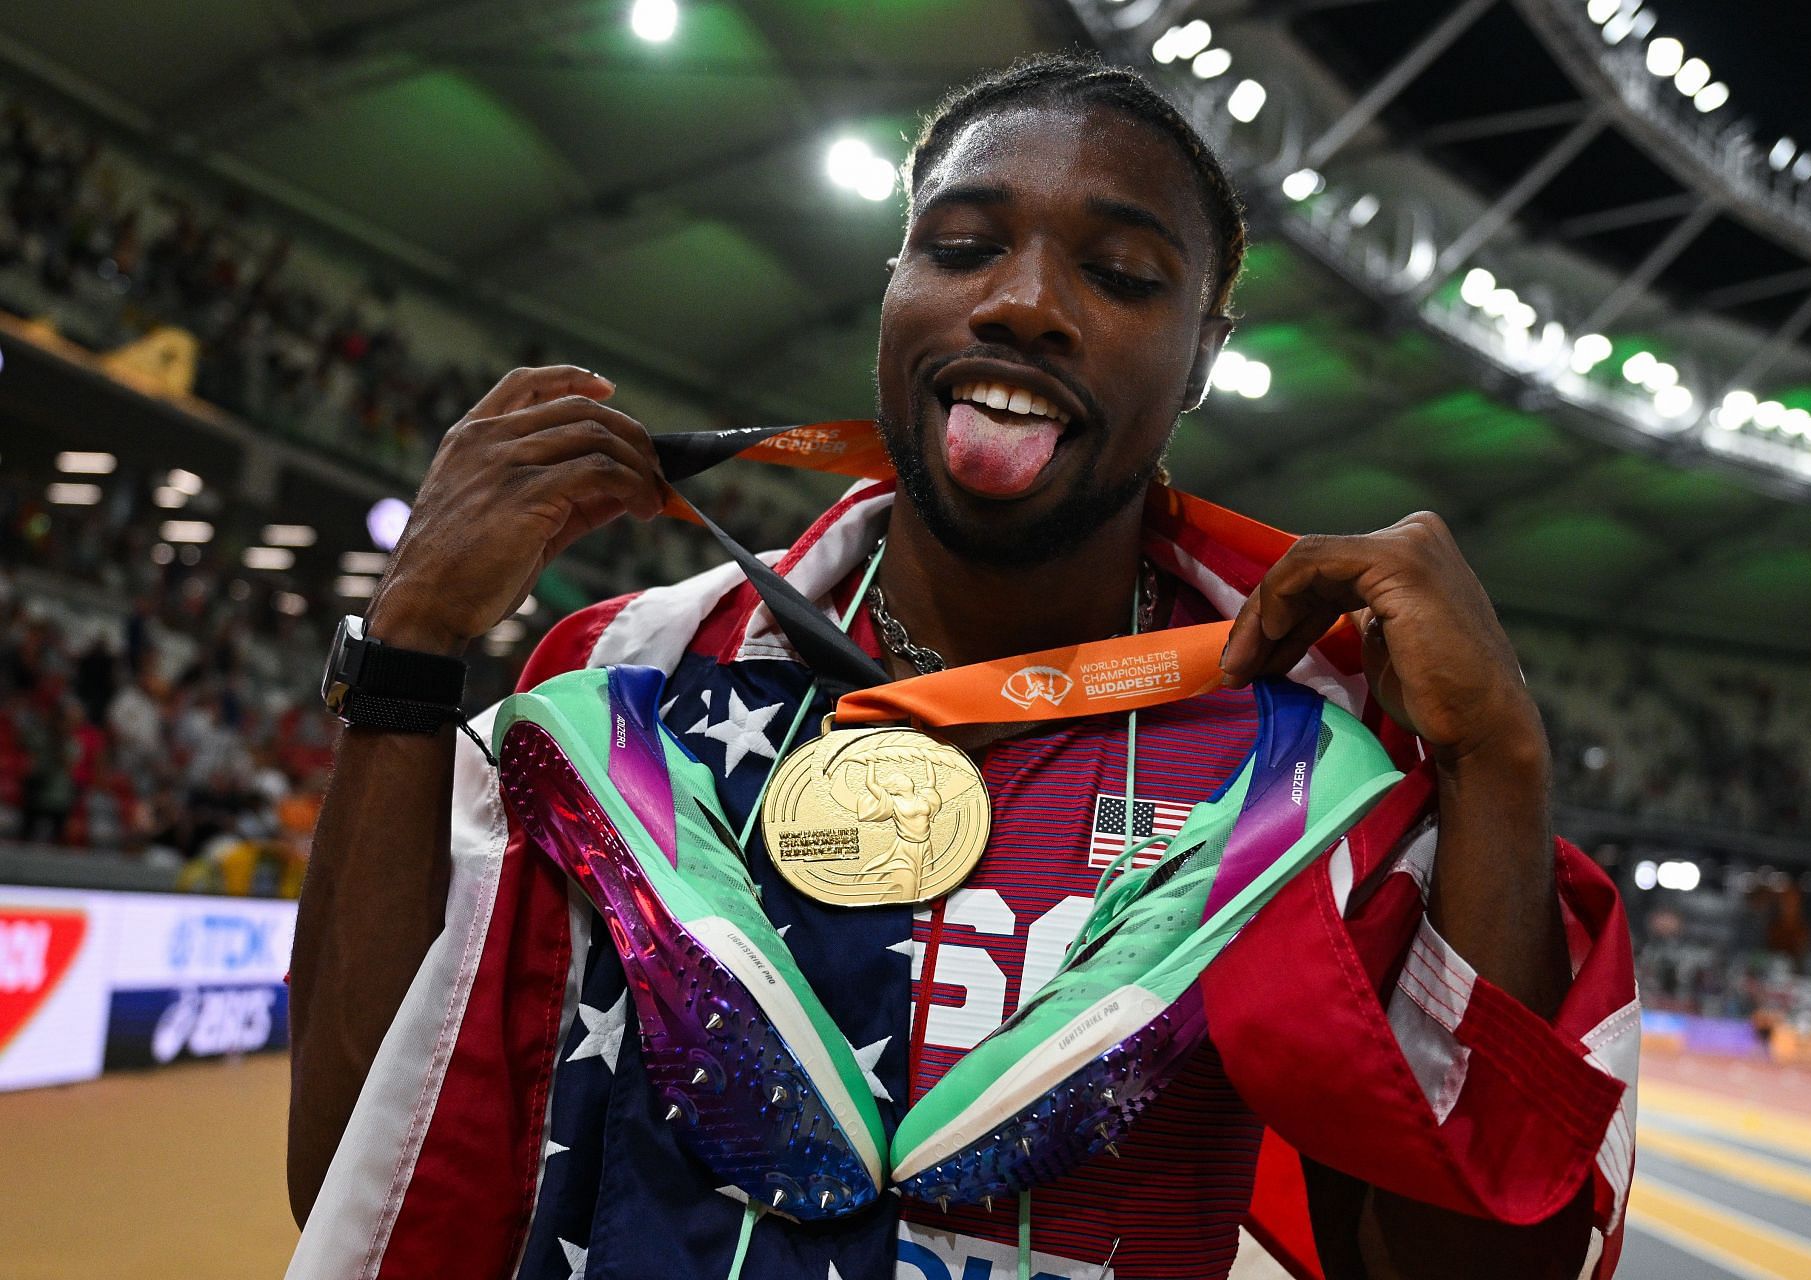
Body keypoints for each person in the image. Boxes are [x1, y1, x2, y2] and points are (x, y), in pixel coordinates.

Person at [288, 55, 1637, 1280]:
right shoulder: (638, 679)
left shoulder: (1298, 775)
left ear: (1204, 360)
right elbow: (365, 1168)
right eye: (961, 246)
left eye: (1118, 274)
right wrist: (409, 653)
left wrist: (1499, 767)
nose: (1023, 303)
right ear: (895, 288)